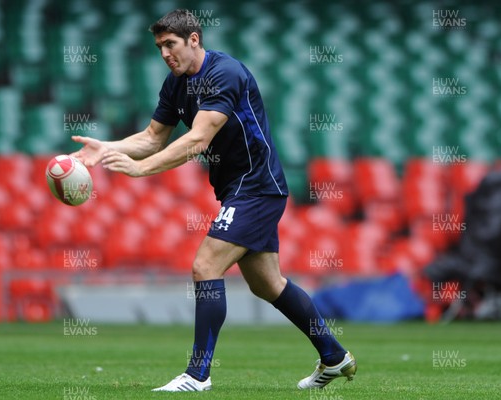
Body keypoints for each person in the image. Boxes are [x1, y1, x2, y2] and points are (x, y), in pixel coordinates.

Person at [71, 9, 356, 392]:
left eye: (170, 44)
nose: (164, 54)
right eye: (158, 47)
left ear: (194, 40)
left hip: (257, 186)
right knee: (268, 284)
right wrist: (105, 149)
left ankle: (198, 375)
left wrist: (140, 170)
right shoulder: (175, 84)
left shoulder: (225, 73)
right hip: (238, 189)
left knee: (205, 266)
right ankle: (335, 356)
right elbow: (153, 137)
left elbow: (197, 140)